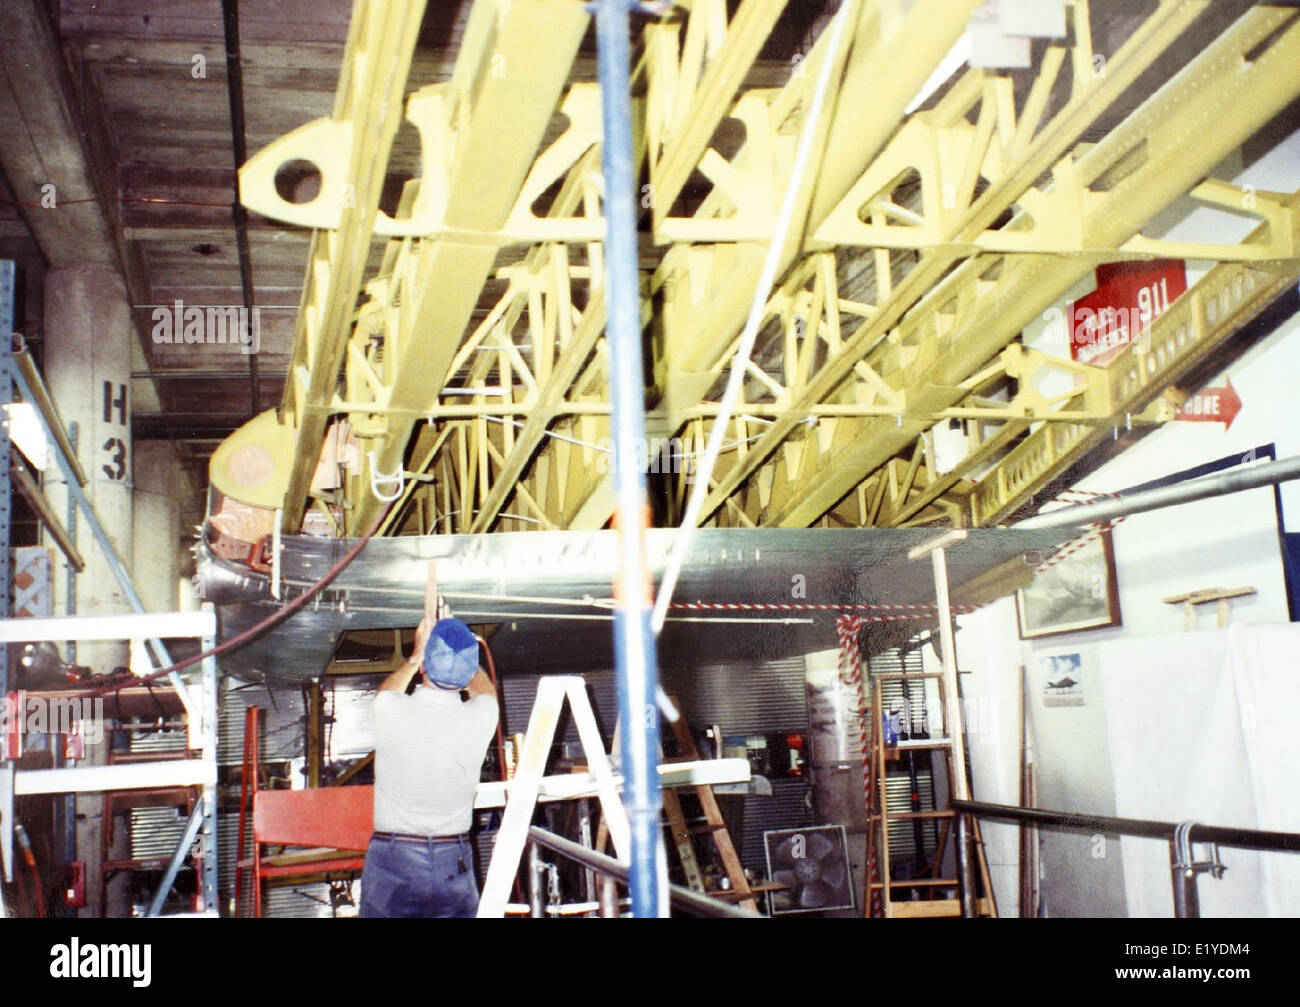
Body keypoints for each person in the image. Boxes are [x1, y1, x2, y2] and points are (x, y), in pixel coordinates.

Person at [360, 614, 498, 918]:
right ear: (466, 675)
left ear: (424, 666)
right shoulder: (483, 716)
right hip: (454, 862)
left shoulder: (389, 710)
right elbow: (484, 690)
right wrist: (458, 652)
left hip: (395, 859)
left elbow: (388, 690)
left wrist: (417, 653)